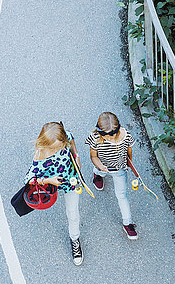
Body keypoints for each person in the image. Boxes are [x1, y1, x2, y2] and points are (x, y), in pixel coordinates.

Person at [25, 122, 83, 265]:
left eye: (59, 145)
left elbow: (72, 141)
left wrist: (76, 156)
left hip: (71, 179)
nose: (57, 149)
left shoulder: (66, 137)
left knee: (73, 212)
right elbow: (29, 180)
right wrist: (48, 180)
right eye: (53, 147)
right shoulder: (40, 153)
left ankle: (74, 239)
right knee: (71, 211)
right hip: (52, 182)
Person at [86, 112, 138, 240]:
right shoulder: (95, 138)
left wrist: (130, 165)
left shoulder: (125, 136)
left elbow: (129, 151)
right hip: (103, 165)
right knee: (100, 171)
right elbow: (93, 156)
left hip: (120, 169)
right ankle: (97, 174)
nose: (113, 137)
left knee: (122, 195)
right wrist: (100, 166)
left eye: (115, 134)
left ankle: (127, 223)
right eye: (109, 136)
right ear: (100, 132)